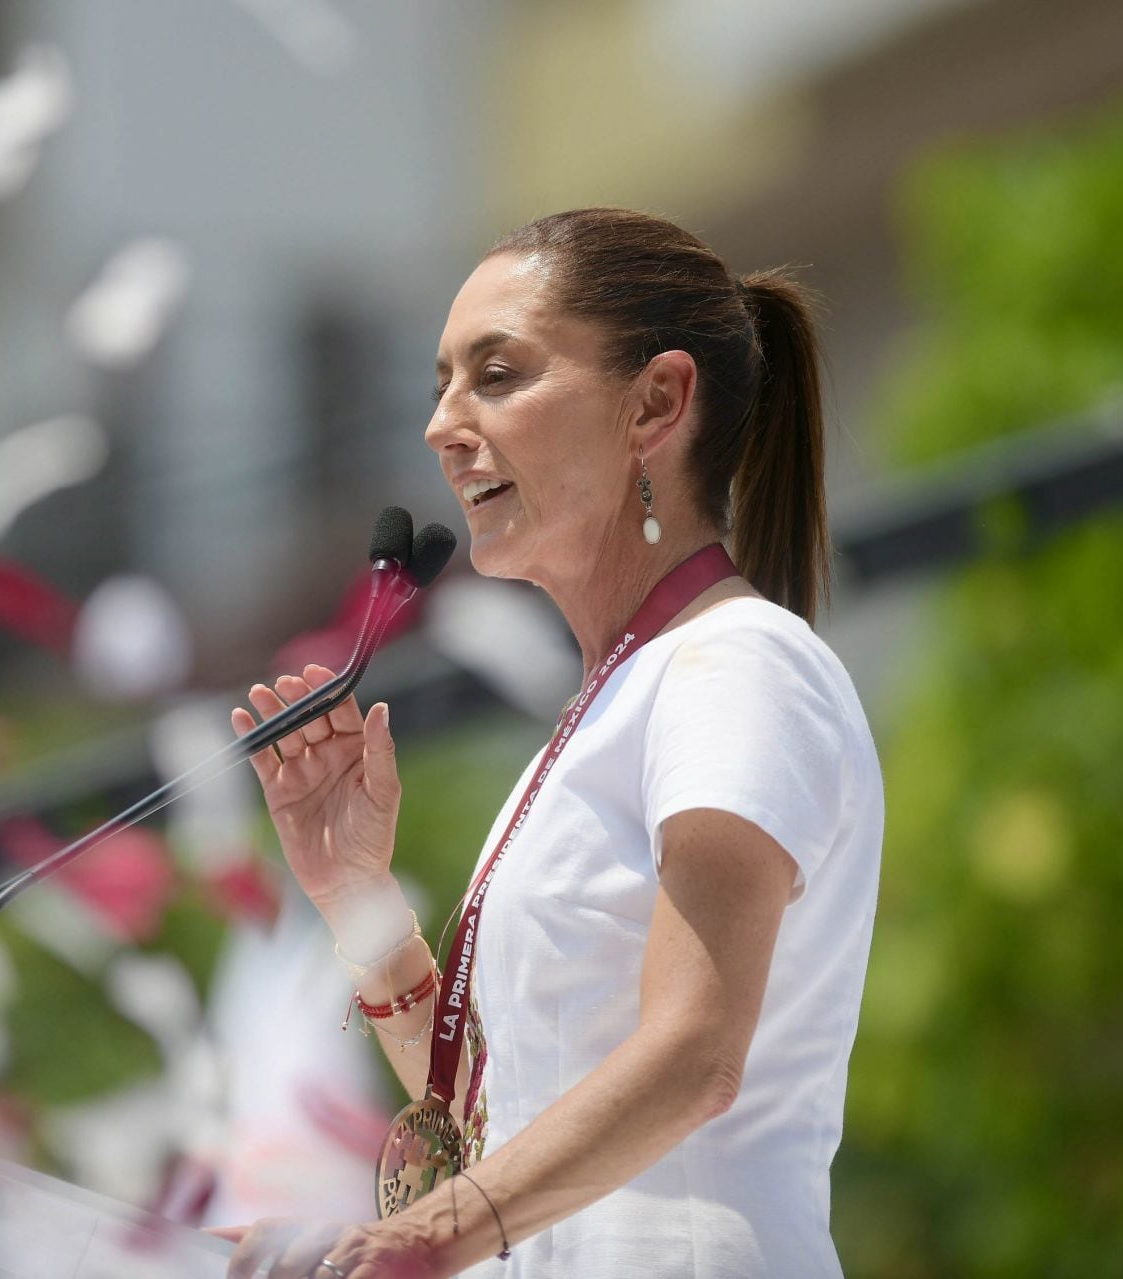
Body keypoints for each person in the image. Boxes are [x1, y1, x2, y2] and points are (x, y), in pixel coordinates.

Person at [218, 208, 884, 1278]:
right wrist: (357, 894)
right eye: (440, 380)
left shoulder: (740, 664)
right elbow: (502, 1111)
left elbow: (695, 1055)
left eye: (498, 374)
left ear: (657, 402)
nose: (443, 424)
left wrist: (416, 1237)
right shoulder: (605, 709)